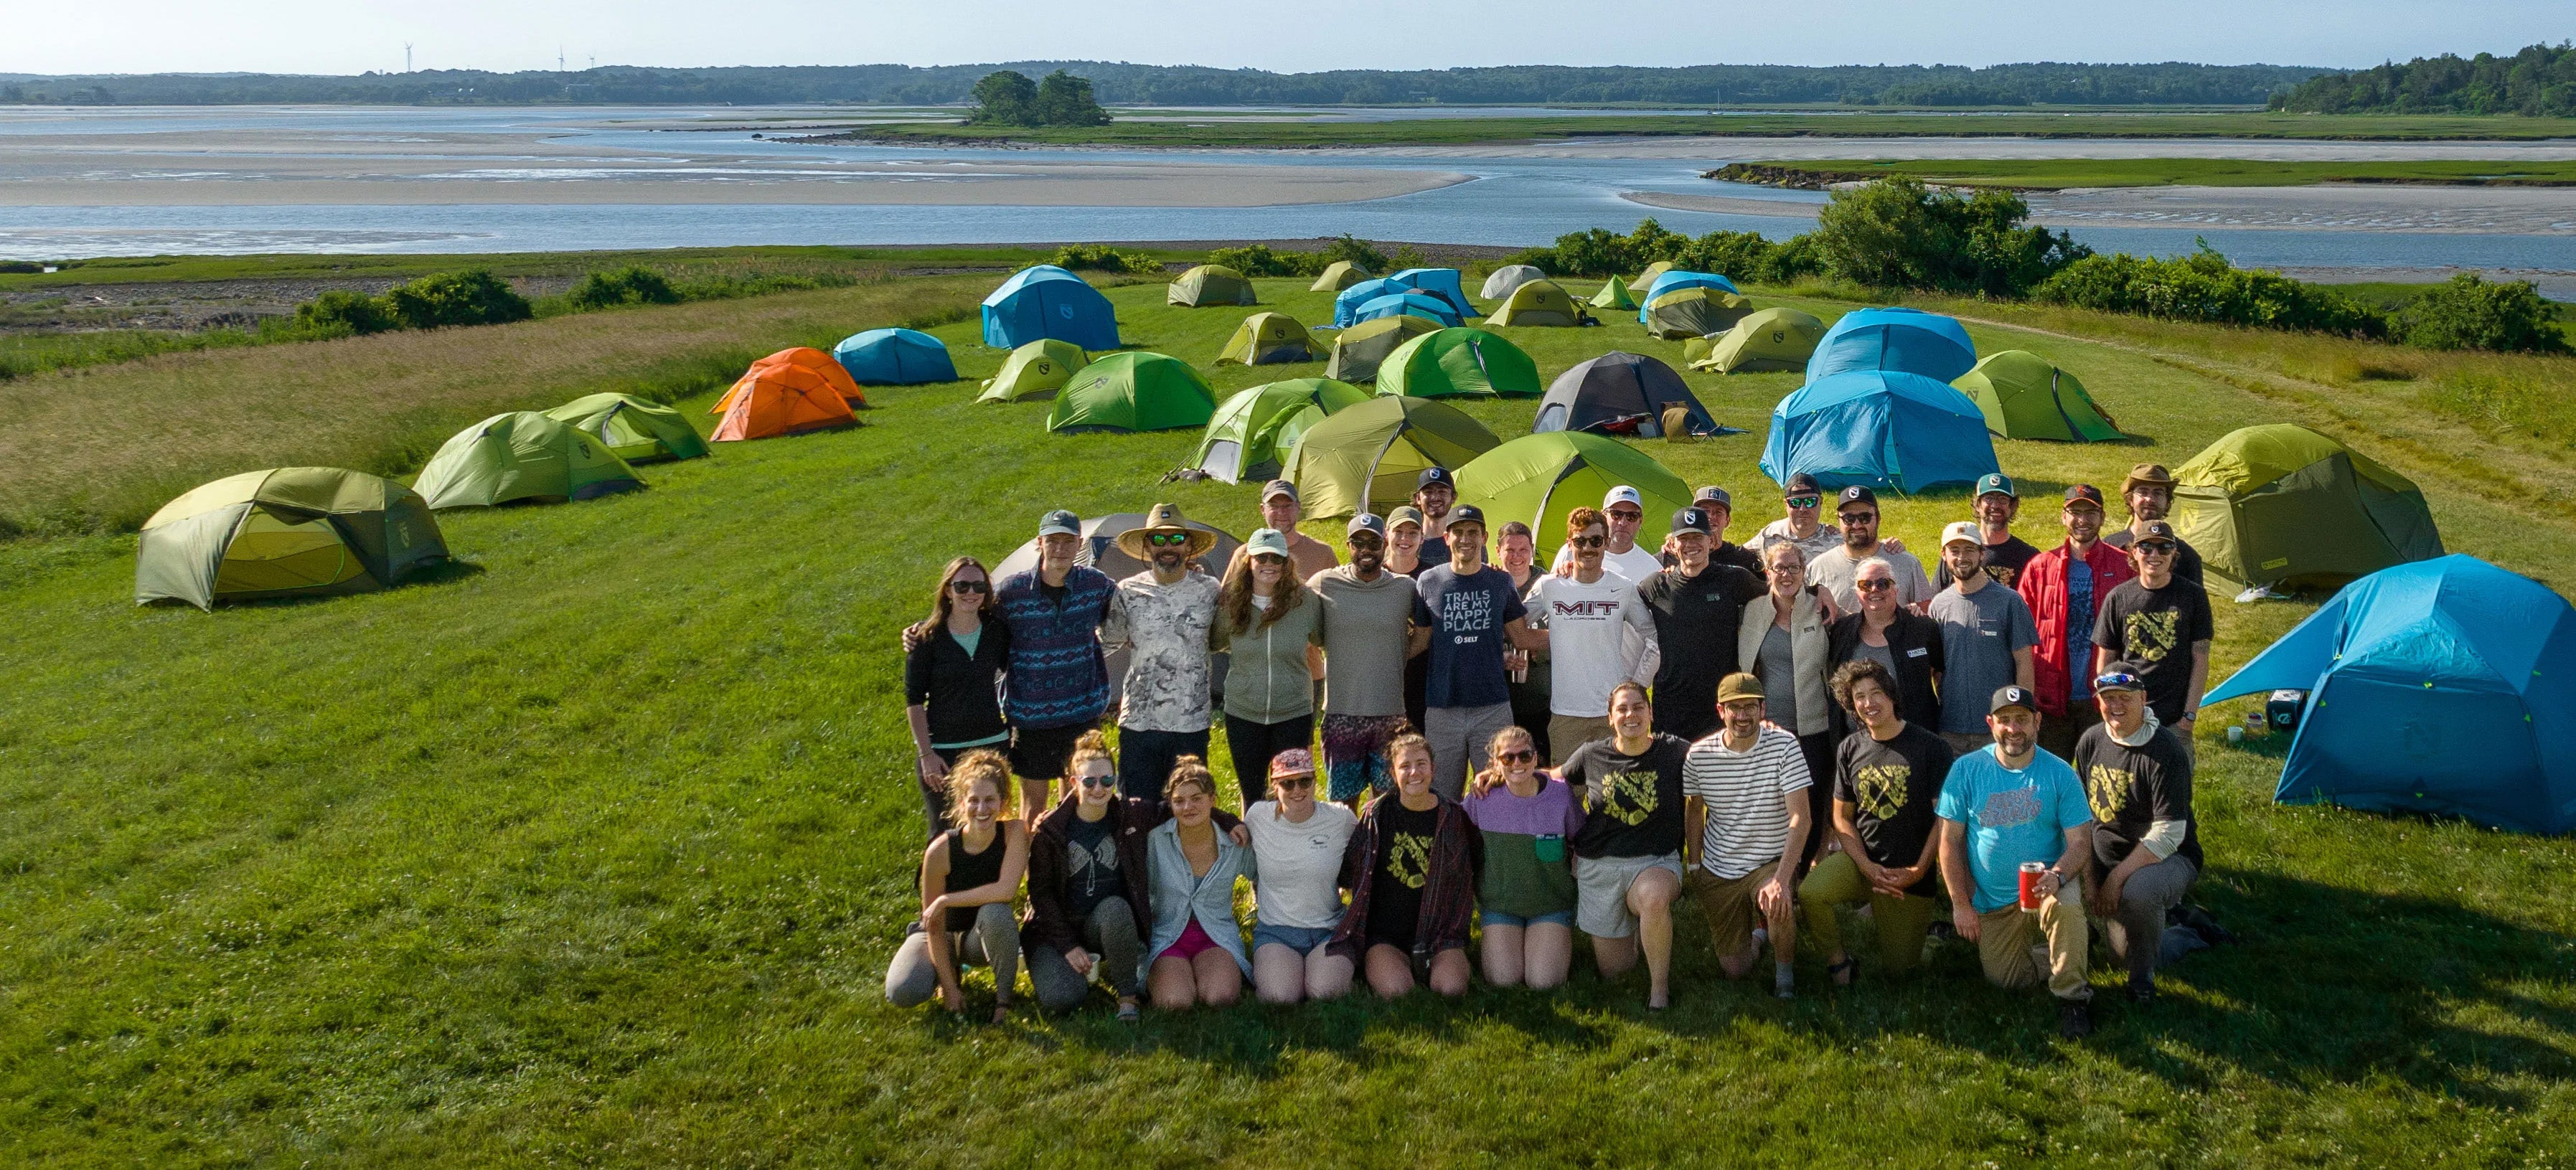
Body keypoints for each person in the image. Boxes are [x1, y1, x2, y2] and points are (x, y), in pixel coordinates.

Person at [1024, 735, 1251, 1018]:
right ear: (1073, 783)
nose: (1099, 789)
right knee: (1063, 999)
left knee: (1116, 908)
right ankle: (1068, 966)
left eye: (1107, 780)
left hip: (1109, 923)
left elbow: (1184, 806)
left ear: (1115, 780)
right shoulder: (1051, 830)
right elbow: (1041, 895)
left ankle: (1127, 997)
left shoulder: (1131, 815)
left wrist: (1228, 820)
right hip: (1058, 928)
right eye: (1089, 781)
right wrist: (1068, 946)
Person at [1937, 685, 2098, 1039]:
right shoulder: (1966, 770)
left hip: (2046, 888)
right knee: (2006, 980)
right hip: (1992, 903)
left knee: (2066, 906)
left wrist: (2057, 876)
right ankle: (2075, 948)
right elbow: (1949, 843)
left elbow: (2081, 842)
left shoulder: (2059, 773)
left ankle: (2072, 998)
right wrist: (1960, 905)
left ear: (2037, 722)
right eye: (2005, 721)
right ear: (1990, 724)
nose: (2014, 729)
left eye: (2022, 719)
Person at [1798, 660, 1950, 984]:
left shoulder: (1931, 747)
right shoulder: (1849, 749)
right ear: (1851, 706)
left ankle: (1934, 938)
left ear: (1892, 696)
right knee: (1811, 893)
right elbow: (1842, 818)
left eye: (1876, 693)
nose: (1869, 704)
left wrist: (1919, 871)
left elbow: (1944, 820)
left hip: (1909, 872)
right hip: (1861, 864)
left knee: (1901, 972)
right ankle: (1840, 964)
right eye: (1860, 697)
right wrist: (1866, 866)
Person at [2074, 666, 2208, 1003]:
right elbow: (2079, 817)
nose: (2115, 706)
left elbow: (2168, 833)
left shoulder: (2165, 751)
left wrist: (2116, 879)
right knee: (2116, 956)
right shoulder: (2091, 740)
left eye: (2124, 698)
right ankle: (2088, 945)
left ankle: (2147, 976)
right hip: (2107, 859)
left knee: (2140, 895)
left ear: (2143, 699)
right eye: (2107, 699)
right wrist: (2091, 879)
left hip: (2168, 857)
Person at [1681, 672, 1813, 999]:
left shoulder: (1785, 746)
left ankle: (1785, 978)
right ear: (1720, 710)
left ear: (1763, 708)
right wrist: (1695, 865)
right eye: (1734, 708)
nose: (1742, 716)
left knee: (1778, 900)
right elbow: (1694, 810)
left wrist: (1782, 878)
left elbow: (1802, 816)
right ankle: (1758, 935)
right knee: (1736, 969)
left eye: (1750, 708)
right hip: (1720, 863)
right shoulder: (1698, 756)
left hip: (1768, 859)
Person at [1561, 681, 1692, 1009]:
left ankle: (1658, 990)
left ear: (1650, 712)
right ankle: (1640, 930)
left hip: (1654, 861)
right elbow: (1554, 777)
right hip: (1601, 864)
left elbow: (1720, 750)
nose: (1630, 714)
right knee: (1616, 970)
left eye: (1638, 706)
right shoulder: (1592, 755)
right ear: (1610, 718)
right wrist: (1502, 774)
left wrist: (1762, 729)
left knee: (1654, 899)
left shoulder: (1674, 751)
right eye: (1622, 708)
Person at [1329, 734, 1483, 999]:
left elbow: (1478, 865)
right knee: (1398, 993)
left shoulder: (1455, 817)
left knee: (1452, 989)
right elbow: (1349, 871)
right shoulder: (1375, 815)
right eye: (1405, 766)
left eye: (1422, 764)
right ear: (1393, 772)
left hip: (1441, 936)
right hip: (1385, 936)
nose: (1414, 772)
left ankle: (1441, 966)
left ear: (1433, 769)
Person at [885, 751, 1030, 1022]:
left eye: (990, 800)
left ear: (1003, 802)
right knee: (902, 991)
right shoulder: (940, 850)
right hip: (937, 933)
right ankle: (947, 977)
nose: (982, 809)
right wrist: (950, 989)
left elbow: (1006, 891)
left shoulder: (1014, 834)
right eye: (973, 801)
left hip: (979, 936)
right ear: (962, 803)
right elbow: (935, 925)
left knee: (996, 913)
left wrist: (946, 899)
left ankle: (1004, 1003)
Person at [1410, 505, 1543, 800]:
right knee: (1442, 796)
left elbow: (1520, 635)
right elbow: (1419, 643)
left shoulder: (1499, 582)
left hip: (1491, 708)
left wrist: (1580, 633)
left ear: (1483, 537)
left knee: (1498, 793)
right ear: (1447, 537)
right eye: (1458, 532)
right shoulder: (1429, 582)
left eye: (1472, 532)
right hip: (1443, 708)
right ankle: (1451, 847)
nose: (1465, 539)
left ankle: (1490, 846)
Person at [995, 509, 1117, 816]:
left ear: (1079, 543)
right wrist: (923, 631)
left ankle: (1064, 864)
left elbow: (1135, 607)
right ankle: (1033, 864)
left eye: (1067, 541)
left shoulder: (1096, 585)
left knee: (1077, 802)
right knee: (1032, 808)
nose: (1060, 549)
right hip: (1031, 717)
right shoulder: (1012, 592)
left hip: (1081, 713)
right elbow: (969, 618)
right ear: (1040, 543)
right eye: (1053, 541)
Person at [1100, 504, 1223, 801]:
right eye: (1158, 540)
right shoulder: (1127, 591)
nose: (1168, 547)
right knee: (1138, 809)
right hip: (1140, 723)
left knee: (1188, 809)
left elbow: (1224, 639)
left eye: (1176, 539)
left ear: (1190, 545)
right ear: (1146, 546)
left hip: (1191, 723)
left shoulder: (1209, 590)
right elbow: (1106, 642)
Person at [1524, 506, 1657, 765]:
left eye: (1596, 541)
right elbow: (1514, 625)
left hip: (1613, 714)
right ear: (1569, 543)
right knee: (1567, 798)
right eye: (1580, 541)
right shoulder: (1550, 586)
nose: (1588, 548)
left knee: (1615, 796)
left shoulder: (1623, 588)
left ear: (1606, 543)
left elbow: (1654, 638)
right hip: (1565, 713)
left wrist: (1636, 685)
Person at [2018, 484, 2136, 762]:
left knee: (2101, 780)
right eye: (2075, 512)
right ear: (2063, 516)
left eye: (2090, 512)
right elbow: (2021, 636)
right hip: (2051, 699)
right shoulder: (2039, 567)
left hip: (2104, 698)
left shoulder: (2123, 566)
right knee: (2050, 780)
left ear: (2103, 518)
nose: (2082, 520)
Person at [1310, 514, 1419, 808]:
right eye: (1359, 542)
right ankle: (1347, 855)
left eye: (1373, 542)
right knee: (1343, 808)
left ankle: (1377, 855)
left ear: (1385, 544)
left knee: (1387, 805)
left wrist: (1398, 652)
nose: (1366, 549)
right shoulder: (1325, 582)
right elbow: (1293, 608)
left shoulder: (1405, 588)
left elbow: (1425, 632)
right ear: (1348, 545)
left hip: (1391, 715)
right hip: (1341, 714)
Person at [1462, 726, 1584, 989]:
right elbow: (1454, 835)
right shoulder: (1481, 798)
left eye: (1525, 756)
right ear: (1496, 763)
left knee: (1544, 982)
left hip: (1551, 904)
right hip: (1500, 905)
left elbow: (1582, 839)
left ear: (1536, 758)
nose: (1517, 763)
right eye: (1508, 758)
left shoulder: (1560, 795)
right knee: (1502, 980)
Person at [1739, 540, 1838, 854]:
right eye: (1779, 567)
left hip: (1813, 728)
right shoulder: (1751, 610)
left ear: (1804, 571)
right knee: (1770, 805)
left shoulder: (1821, 608)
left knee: (1810, 803)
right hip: (1767, 729)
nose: (1786, 574)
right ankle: (1770, 869)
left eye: (1793, 567)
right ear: (1767, 572)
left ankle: (1803, 875)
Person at [1638, 506, 1767, 743]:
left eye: (1698, 537)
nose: (1691, 545)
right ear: (1673, 544)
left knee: (1719, 779)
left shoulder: (1733, 580)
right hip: (1671, 708)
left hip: (1720, 706)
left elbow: (1778, 596)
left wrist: (1817, 591)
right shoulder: (1657, 585)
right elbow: (1617, 604)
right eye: (1684, 538)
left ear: (1710, 541)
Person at [905, 555, 1011, 841]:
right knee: (943, 833)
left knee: (989, 827)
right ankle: (937, 887)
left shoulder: (997, 631)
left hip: (992, 745)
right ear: (948, 591)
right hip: (942, 752)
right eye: (962, 586)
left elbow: (1015, 673)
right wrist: (926, 755)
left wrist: (1013, 725)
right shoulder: (926, 638)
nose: (971, 593)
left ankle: (991, 887)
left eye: (979, 586)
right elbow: (914, 701)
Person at [1214, 528, 1323, 806]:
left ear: (1287, 564)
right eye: (1262, 558)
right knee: (1251, 794)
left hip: (1293, 712)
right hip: (1243, 712)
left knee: (1290, 792)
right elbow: (1214, 642)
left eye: (1277, 559)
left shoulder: (1305, 601)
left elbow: (1323, 638)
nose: (1269, 565)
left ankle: (1287, 847)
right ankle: (1250, 847)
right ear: (1248, 561)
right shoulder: (1232, 602)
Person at [1244, 750, 1359, 1004]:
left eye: (1305, 781)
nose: (1298, 790)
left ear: (1315, 781)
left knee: (1324, 993)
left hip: (1329, 929)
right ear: (1275, 786)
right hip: (1276, 931)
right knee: (1279, 997)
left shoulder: (1341, 819)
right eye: (1288, 783)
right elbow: (1225, 826)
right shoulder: (1257, 817)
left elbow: (1373, 840)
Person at [1142, 758, 1254, 1010]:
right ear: (1170, 804)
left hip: (1216, 935)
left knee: (1220, 998)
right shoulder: (1156, 840)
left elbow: (1264, 876)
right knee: (1175, 1003)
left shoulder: (1234, 840)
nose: (1188, 807)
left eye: (1196, 799)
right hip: (1167, 935)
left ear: (1213, 800)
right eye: (1179, 801)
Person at [2090, 521, 2214, 742]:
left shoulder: (2194, 596)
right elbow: (2105, 660)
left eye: (2164, 548)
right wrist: (2108, 707)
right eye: (2146, 547)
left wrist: (2189, 716)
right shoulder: (2118, 598)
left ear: (2174, 553)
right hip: (2127, 716)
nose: (2154, 554)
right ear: (2134, 552)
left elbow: (2201, 658)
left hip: (2176, 720)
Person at [1929, 521, 2039, 755]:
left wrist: (2021, 716)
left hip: (1998, 729)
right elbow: (1936, 668)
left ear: (1982, 554)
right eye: (1954, 551)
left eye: (1969, 550)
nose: (1962, 557)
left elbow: (2024, 663)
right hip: (1950, 729)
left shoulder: (2010, 602)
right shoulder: (1938, 605)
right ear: (1943, 555)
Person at [1825, 559, 1945, 736]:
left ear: (1895, 590)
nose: (1874, 589)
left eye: (1883, 584)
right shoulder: (1841, 632)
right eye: (1866, 585)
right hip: (1857, 742)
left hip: (1915, 739)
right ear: (1857, 593)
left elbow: (1940, 675)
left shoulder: (1923, 629)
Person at [1806, 486, 1935, 614]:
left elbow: (1927, 614)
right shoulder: (1817, 568)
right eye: (1849, 519)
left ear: (1878, 519)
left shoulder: (1908, 564)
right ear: (1839, 520)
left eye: (1864, 518)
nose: (1856, 525)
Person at [1497, 520, 1555, 763]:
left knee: (1542, 767)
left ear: (1532, 550)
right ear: (1498, 551)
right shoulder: (1490, 584)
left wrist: (1539, 648)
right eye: (1510, 550)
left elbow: (1567, 631)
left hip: (1543, 699)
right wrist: (1501, 655)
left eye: (1523, 550)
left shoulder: (1550, 584)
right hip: (1501, 701)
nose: (1517, 557)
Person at [2100, 463, 2205, 589]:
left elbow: (2196, 605)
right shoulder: (2109, 547)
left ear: (2168, 502)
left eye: (2158, 493)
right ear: (2131, 500)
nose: (2150, 499)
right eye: (2143, 492)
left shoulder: (2187, 558)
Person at [1933, 473, 2043, 590]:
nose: (1995, 505)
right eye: (1989, 498)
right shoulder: (1956, 552)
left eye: (2003, 499)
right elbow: (1935, 602)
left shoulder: (2029, 557)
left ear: (2013, 506)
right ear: (1978, 505)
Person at [1223, 480, 1339, 581]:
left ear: (1298, 507)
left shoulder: (1322, 553)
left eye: (1288, 506)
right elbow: (1228, 599)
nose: (1281, 512)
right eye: (1274, 506)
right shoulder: (1246, 554)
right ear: (1263, 510)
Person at [1548, 486, 1663, 581]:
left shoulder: (1652, 568)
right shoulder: (1573, 551)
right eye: (1616, 514)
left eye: (1631, 517)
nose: (1623, 522)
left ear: (1640, 521)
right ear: (1603, 516)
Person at [1749, 472, 1841, 566]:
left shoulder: (1837, 542)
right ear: (1786, 505)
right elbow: (1738, 556)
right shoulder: (1770, 535)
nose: (1803, 509)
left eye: (1810, 502)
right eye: (1795, 502)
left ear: (1821, 502)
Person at [1414, 468, 1457, 566]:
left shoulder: (1463, 541)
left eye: (1442, 492)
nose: (1435, 498)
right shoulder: (1408, 541)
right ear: (1418, 498)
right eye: (1428, 492)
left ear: (1453, 497)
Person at [1386, 505, 1429, 577]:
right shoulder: (1374, 574)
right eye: (1398, 531)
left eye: (1413, 533)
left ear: (1422, 538)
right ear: (1386, 534)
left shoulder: (1431, 576)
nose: (1404, 538)